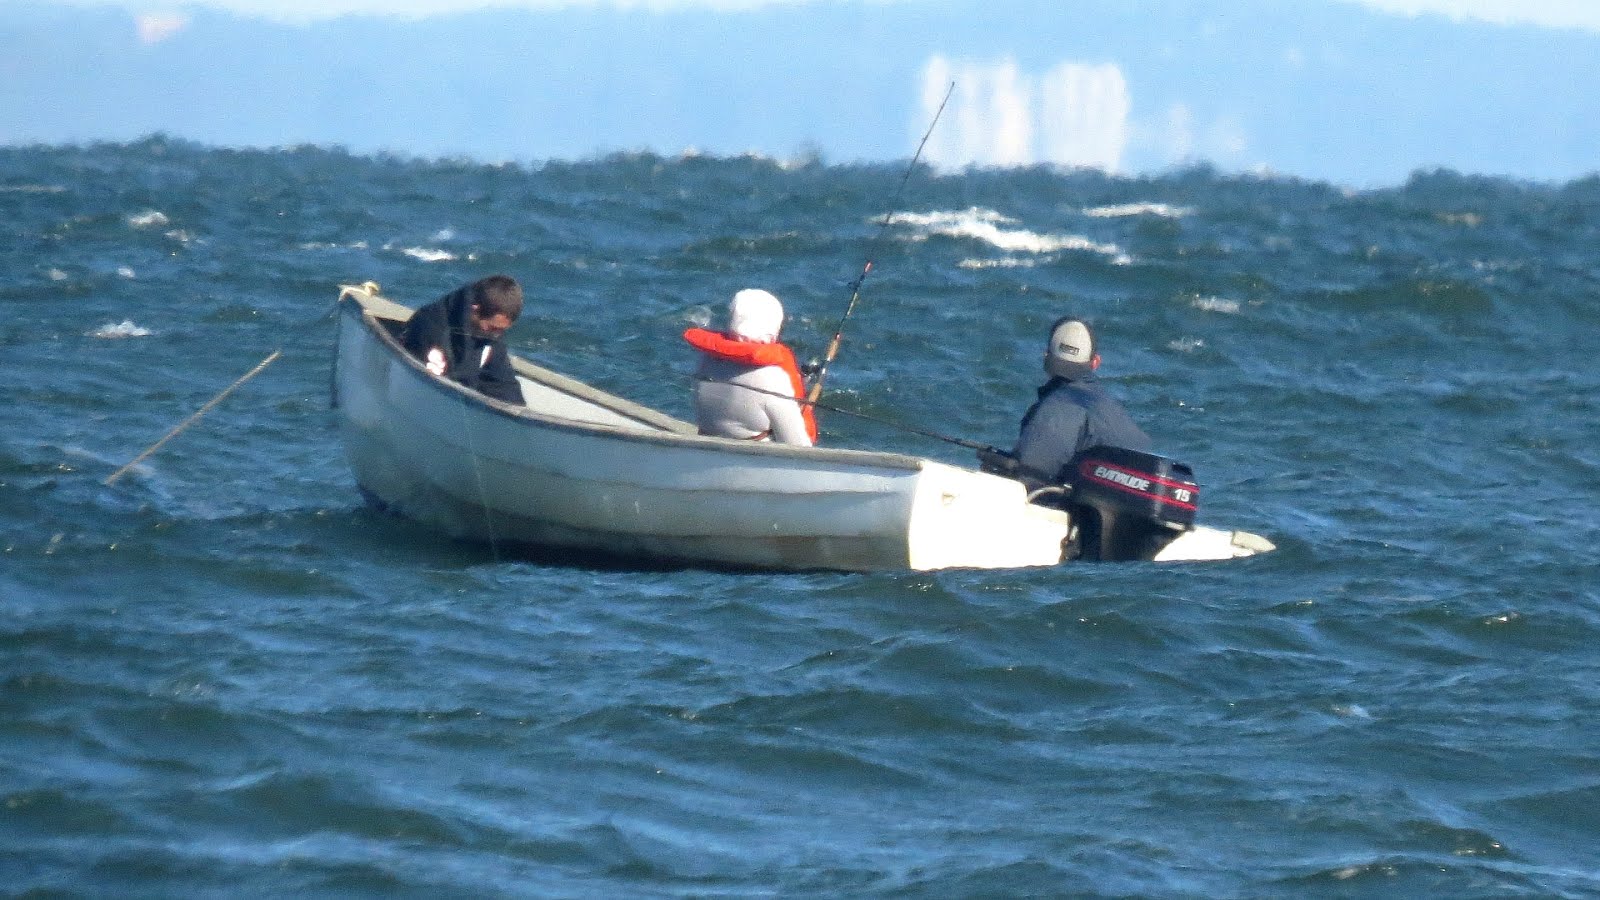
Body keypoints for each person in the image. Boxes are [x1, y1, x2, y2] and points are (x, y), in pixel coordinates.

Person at [1013, 316, 1151, 490]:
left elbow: (1027, 477)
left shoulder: (1056, 408)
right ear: (1095, 363)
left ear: (1046, 358)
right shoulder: (1117, 414)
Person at [683, 288, 817, 446]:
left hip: (707, 451)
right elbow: (799, 446)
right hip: (756, 462)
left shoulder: (706, 360)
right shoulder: (774, 379)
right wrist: (803, 404)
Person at [400, 274, 526, 406]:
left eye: (502, 330)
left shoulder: (489, 337)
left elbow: (502, 385)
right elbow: (425, 388)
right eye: (493, 328)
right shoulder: (430, 326)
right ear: (475, 310)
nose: (497, 335)